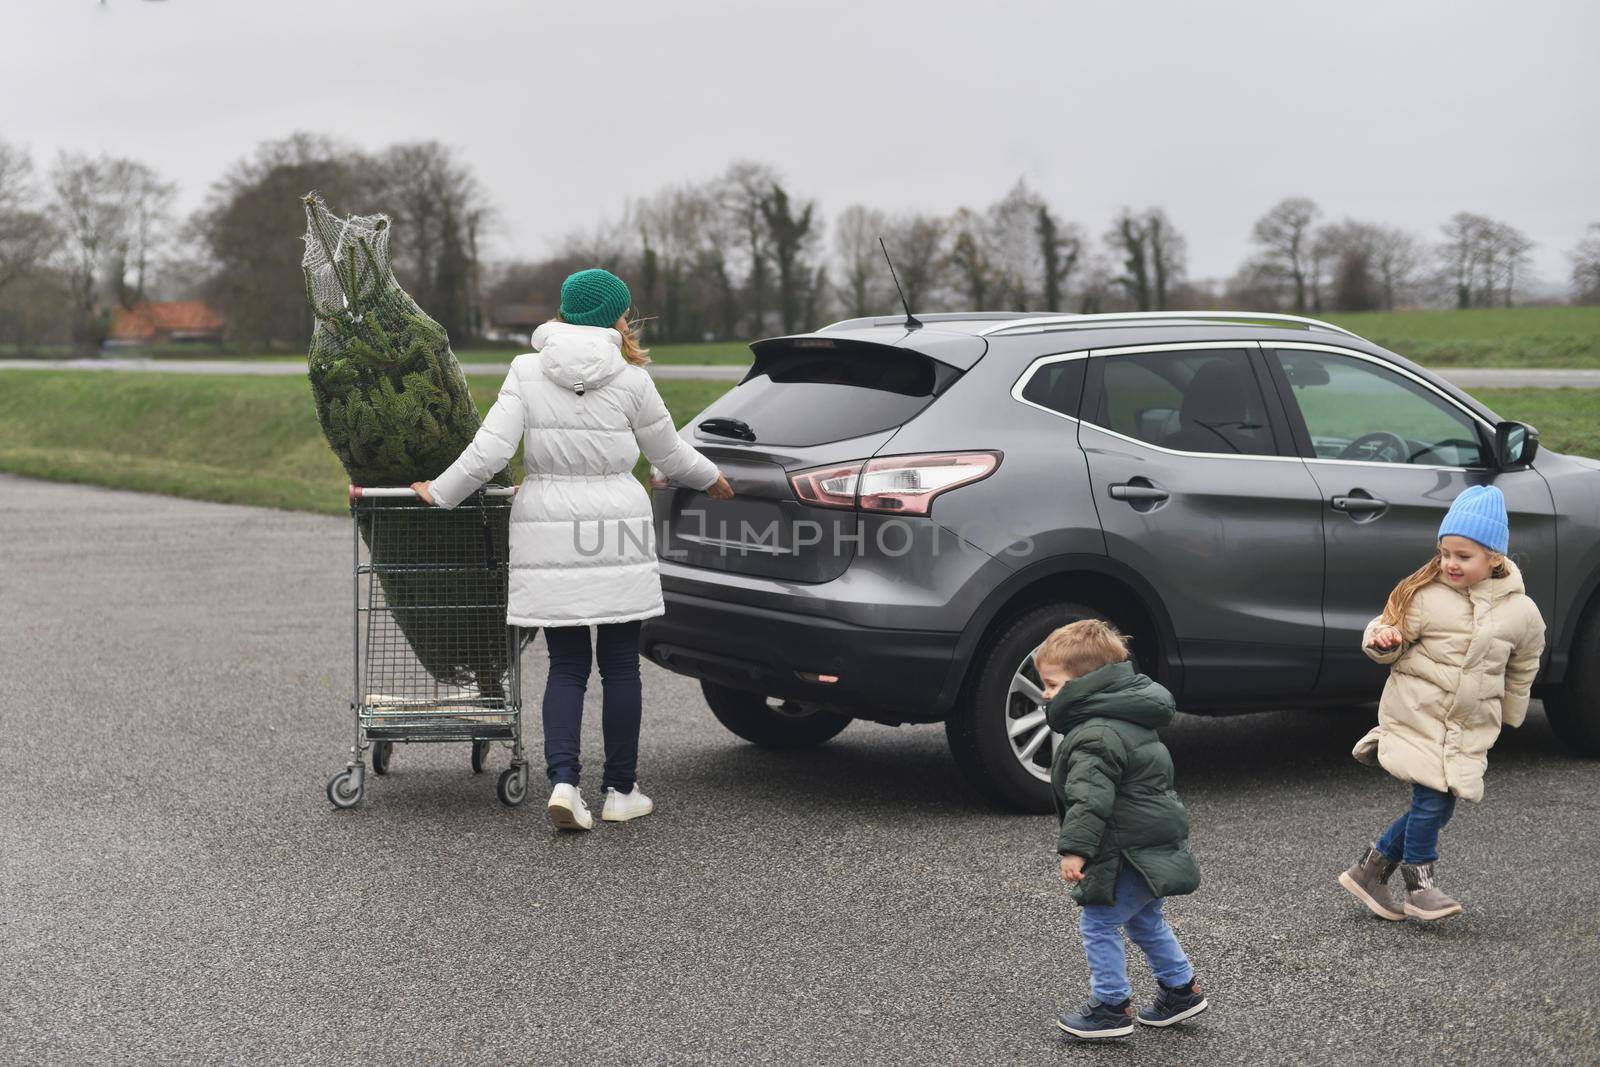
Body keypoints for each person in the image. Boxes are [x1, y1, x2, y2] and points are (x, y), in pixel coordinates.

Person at [414, 268, 734, 832]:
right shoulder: (632, 380)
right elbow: (671, 455)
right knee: (619, 667)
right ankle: (620, 790)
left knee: (565, 667)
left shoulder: (526, 370)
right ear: (615, 316)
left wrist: (440, 491)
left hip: (547, 527)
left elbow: (490, 452)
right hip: (617, 530)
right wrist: (711, 479)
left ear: (563, 312)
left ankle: (564, 783)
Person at [1339, 484, 1545, 921]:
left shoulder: (1522, 612)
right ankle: (1420, 886)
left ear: (1494, 558)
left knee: (1437, 804)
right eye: (1445, 553)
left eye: (1463, 556)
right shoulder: (1426, 597)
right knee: (1432, 801)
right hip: (1418, 715)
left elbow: (1524, 664)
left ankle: (1369, 871)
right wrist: (1382, 640)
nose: (1450, 563)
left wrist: (1511, 710)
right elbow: (1386, 630)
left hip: (1468, 725)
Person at [1040, 619, 1207, 1041]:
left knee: (1097, 922)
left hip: (1128, 849)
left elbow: (1090, 799)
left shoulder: (1096, 733)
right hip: (1147, 842)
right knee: (1145, 920)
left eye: (1054, 685)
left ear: (1086, 685)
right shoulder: (1124, 716)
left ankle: (1111, 1007)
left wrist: (1075, 850)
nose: (1045, 694)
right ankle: (1180, 990)